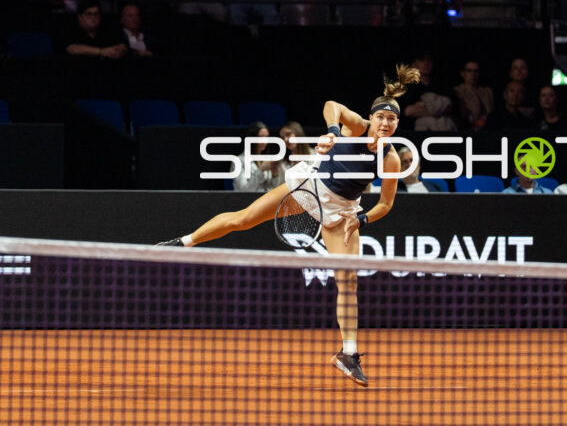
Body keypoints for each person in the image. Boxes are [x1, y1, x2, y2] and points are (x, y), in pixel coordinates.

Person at [156, 63, 421, 387]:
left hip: (341, 212)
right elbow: (331, 106)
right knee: (244, 218)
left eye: (392, 119)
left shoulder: (391, 157)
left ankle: (348, 353)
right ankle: (184, 242)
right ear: (373, 117)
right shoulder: (357, 126)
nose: (385, 122)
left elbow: (386, 204)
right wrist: (333, 132)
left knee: (348, 282)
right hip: (310, 189)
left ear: (397, 123)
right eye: (381, 116)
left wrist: (362, 218)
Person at [400, 51, 458, 131]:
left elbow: (451, 108)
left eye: (428, 60)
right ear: (414, 64)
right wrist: (438, 109)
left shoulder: (441, 86)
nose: (426, 63)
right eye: (421, 61)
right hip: (416, 135)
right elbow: (408, 111)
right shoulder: (407, 88)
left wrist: (423, 106)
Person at [232, 121, 286, 191]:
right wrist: (261, 170)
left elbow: (274, 189)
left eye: (266, 137)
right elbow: (244, 190)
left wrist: (275, 174)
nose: (264, 141)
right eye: (260, 137)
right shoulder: (239, 161)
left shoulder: (266, 159)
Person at [63, 0, 128, 58]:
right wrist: (101, 51)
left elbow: (122, 44)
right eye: (89, 14)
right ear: (80, 17)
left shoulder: (107, 29)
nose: (93, 17)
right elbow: (71, 49)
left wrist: (120, 50)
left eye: (96, 14)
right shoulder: (71, 29)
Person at [452, 60, 495, 131]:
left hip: (488, 129)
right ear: (463, 73)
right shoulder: (457, 91)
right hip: (468, 130)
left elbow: (491, 111)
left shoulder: (487, 91)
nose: (473, 74)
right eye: (469, 71)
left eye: (476, 71)